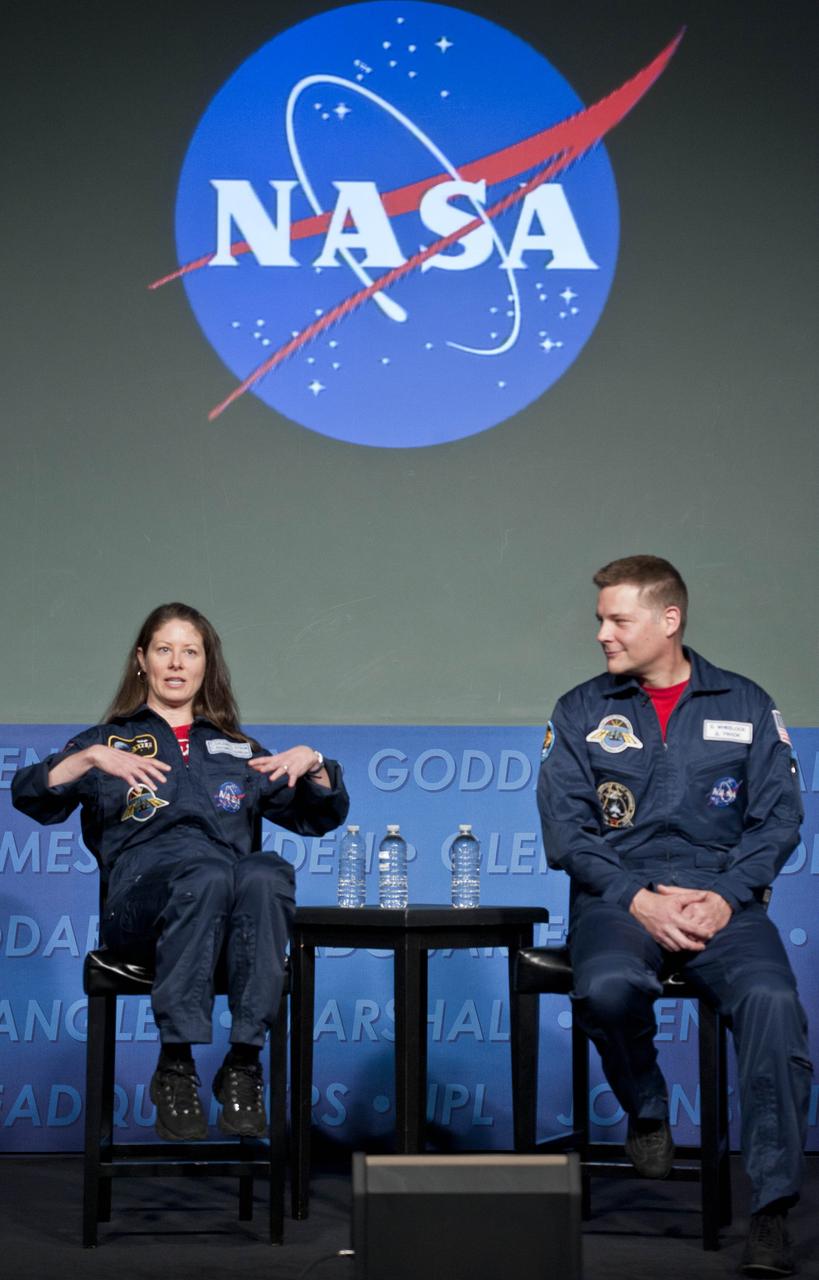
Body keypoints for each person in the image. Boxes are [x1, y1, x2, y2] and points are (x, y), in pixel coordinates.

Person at [537, 556, 812, 1277]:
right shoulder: (579, 711)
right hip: (618, 901)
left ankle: (771, 1211)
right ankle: (647, 1103)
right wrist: (637, 898)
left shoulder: (745, 703)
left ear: (668, 620)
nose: (601, 633)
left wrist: (724, 896)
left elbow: (778, 821)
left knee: (774, 1004)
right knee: (604, 988)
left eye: (617, 619)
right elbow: (568, 833)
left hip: (723, 901)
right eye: (599, 618)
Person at [12, 602, 349, 1142]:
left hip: (223, 910)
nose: (176, 663)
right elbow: (31, 795)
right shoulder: (109, 741)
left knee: (265, 873)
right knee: (208, 872)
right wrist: (88, 760)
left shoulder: (236, 748)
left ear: (205, 664)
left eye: (189, 651)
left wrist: (314, 762)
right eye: (164, 650)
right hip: (140, 913)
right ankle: (176, 1064)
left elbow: (319, 815)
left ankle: (242, 1064)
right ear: (141, 660)